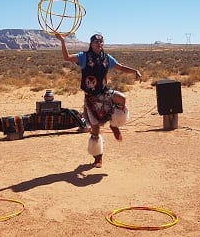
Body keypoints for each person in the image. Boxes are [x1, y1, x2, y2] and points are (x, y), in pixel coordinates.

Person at [56, 33, 141, 168]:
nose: (99, 44)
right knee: (95, 129)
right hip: (91, 98)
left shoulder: (107, 58)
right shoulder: (83, 57)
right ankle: (98, 158)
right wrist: (62, 41)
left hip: (105, 92)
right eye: (96, 42)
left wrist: (134, 71)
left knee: (122, 99)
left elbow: (120, 67)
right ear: (91, 44)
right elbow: (67, 58)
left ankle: (114, 124)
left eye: (101, 42)